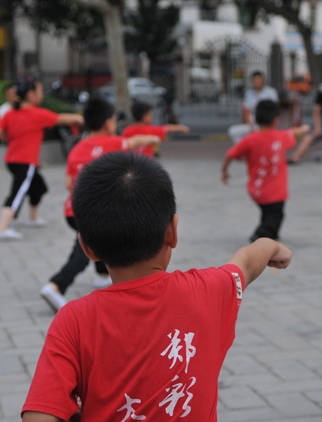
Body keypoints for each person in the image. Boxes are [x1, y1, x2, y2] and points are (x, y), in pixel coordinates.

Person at [21, 152, 292, 421]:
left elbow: (39, 414)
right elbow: (246, 263)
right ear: (172, 232)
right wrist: (273, 246)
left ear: (88, 248)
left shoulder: (73, 320)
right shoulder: (209, 289)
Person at [39, 98, 161, 312]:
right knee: (85, 249)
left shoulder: (77, 149)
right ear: (107, 123)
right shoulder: (113, 143)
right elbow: (134, 142)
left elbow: (69, 182)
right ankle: (56, 285)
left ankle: (103, 276)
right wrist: (152, 137)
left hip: (72, 209)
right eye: (114, 120)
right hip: (93, 210)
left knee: (100, 237)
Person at [0, 77, 84, 241]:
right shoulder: (37, 114)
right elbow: (62, 118)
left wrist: (10, 138)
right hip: (25, 162)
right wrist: (80, 118)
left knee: (39, 188)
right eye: (40, 91)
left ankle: (33, 219)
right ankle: (1, 228)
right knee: (17, 193)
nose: (41, 95)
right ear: (32, 95)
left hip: (12, 160)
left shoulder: (11, 113)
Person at [221, 100, 310, 242]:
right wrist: (304, 128)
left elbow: (229, 155)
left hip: (257, 189)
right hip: (275, 192)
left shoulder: (249, 139)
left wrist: (224, 171)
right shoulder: (280, 137)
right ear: (276, 120)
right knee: (275, 217)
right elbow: (292, 132)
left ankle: (270, 237)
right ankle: (259, 238)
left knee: (268, 214)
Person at [121, 101, 190, 158]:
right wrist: (181, 128)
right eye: (150, 114)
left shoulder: (127, 130)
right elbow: (167, 128)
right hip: (147, 163)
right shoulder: (151, 130)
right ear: (145, 116)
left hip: (130, 161)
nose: (152, 116)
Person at [227, 71, 279, 143]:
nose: (257, 82)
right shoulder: (249, 93)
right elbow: (246, 111)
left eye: (259, 80)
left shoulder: (271, 92)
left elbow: (275, 110)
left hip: (267, 123)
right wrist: (252, 128)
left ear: (263, 80)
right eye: (255, 80)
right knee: (233, 131)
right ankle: (246, 149)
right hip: (253, 123)